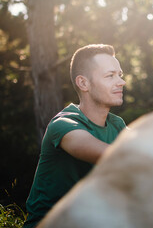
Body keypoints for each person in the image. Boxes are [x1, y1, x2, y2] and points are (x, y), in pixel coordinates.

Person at [23, 44, 127, 228]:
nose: (121, 82)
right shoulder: (63, 125)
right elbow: (112, 155)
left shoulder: (116, 124)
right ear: (83, 83)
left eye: (120, 75)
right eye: (110, 76)